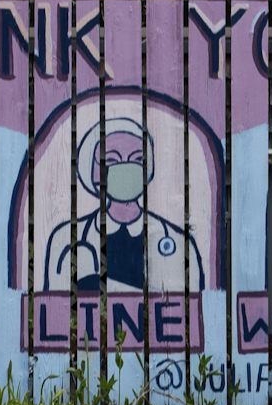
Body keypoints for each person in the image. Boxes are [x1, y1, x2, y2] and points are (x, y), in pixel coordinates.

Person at [44, 118, 204, 292]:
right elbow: (52, 306)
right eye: (111, 160)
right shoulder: (64, 242)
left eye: (137, 159)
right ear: (91, 170)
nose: (126, 168)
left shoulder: (178, 241)